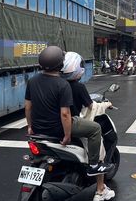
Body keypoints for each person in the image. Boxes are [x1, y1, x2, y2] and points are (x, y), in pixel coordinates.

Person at [24, 46, 115, 183]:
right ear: (60, 64)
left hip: (38, 129)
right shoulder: (62, 84)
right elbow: (65, 114)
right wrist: (67, 135)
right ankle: (94, 165)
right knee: (96, 128)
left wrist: (30, 126)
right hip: (58, 128)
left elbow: (28, 107)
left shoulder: (32, 81)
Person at [61, 51, 115, 201]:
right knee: (99, 152)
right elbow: (91, 107)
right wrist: (106, 104)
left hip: (52, 126)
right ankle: (100, 189)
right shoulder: (79, 87)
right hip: (72, 124)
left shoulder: (57, 84)